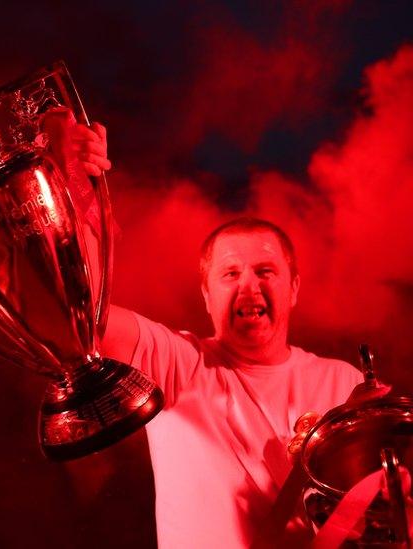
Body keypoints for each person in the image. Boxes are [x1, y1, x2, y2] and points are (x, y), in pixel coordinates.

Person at [53, 113, 375, 547]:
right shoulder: (179, 367)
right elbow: (86, 318)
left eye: (265, 270)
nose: (249, 286)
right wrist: (75, 186)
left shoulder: (346, 385)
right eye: (230, 275)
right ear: (205, 296)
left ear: (294, 288)